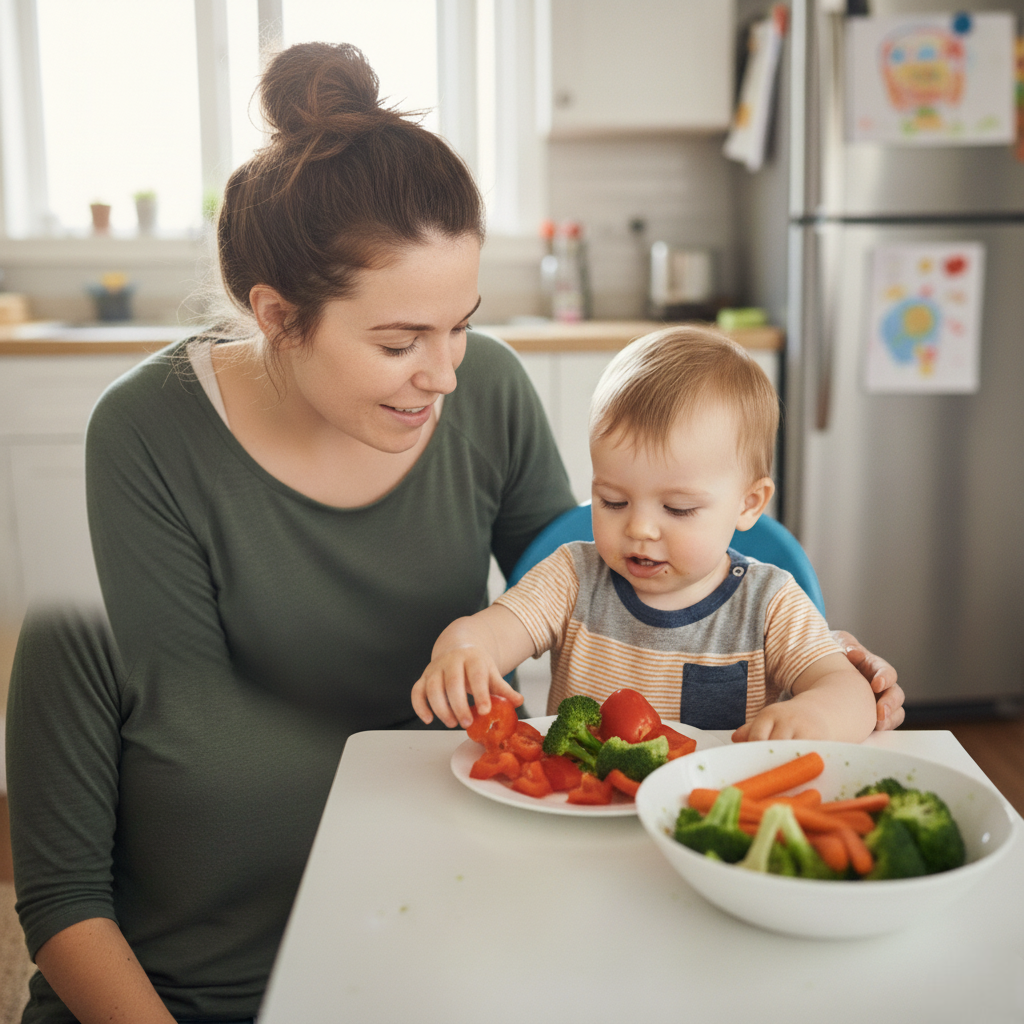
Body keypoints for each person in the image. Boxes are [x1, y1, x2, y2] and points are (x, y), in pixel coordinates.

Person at [5, 42, 902, 1024]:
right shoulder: (147, 439)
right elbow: (130, 815)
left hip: (423, 930)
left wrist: (811, 673)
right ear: (277, 315)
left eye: (461, 325)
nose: (444, 374)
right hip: (200, 983)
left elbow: (602, 595)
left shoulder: (488, 395)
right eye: (399, 342)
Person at [412, 326, 877, 743]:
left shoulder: (771, 603)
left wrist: (815, 714)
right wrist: (464, 652)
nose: (638, 528)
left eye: (677, 508)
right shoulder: (572, 578)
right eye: (613, 501)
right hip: (584, 809)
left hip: (706, 817)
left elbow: (848, 692)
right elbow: (490, 633)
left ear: (749, 503)